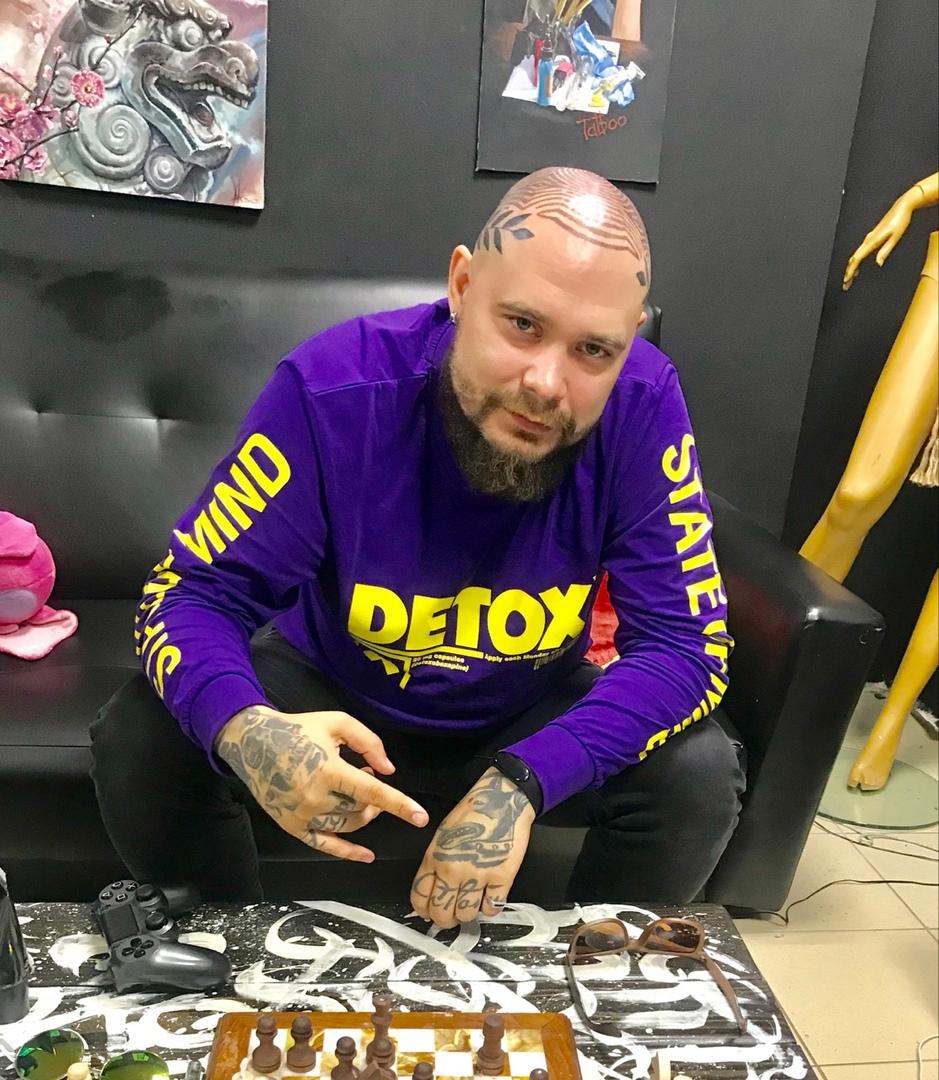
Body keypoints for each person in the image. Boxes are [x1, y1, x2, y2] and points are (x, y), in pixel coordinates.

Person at [91, 166, 745, 926]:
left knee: (697, 775)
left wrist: (525, 780)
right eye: (522, 324)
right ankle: (232, 954)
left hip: (526, 703)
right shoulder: (332, 386)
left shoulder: (643, 404)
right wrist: (246, 729)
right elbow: (191, 594)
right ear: (462, 286)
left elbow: (686, 648)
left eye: (593, 350)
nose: (546, 383)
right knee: (142, 733)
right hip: (337, 687)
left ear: (627, 345)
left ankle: (593, 975)